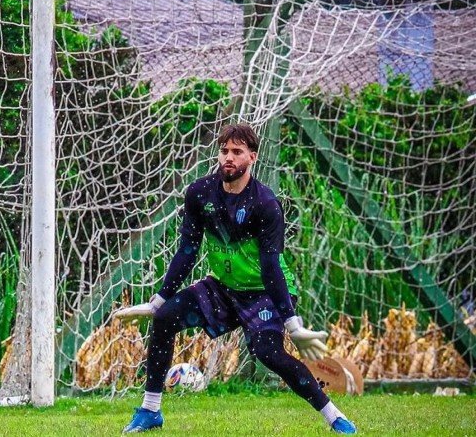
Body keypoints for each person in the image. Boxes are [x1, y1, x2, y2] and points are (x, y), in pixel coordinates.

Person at [114, 123, 356, 434]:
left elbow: (271, 267)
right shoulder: (200, 193)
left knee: (269, 353)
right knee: (166, 317)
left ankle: (335, 417)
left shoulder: (266, 204)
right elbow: (187, 250)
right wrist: (159, 301)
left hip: (265, 292)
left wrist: (292, 324)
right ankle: (150, 411)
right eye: (224, 151)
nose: (229, 157)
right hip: (224, 288)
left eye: (237, 152)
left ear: (252, 158)